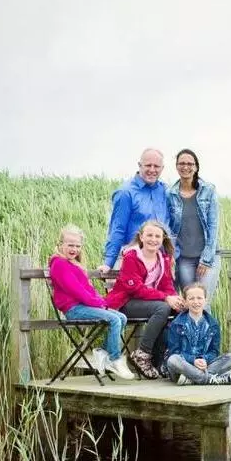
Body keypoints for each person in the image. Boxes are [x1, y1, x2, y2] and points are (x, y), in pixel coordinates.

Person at [48, 225, 134, 380]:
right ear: (61, 245)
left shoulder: (74, 264)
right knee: (113, 319)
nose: (74, 249)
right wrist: (99, 304)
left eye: (77, 246)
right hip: (73, 309)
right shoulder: (59, 264)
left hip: (84, 306)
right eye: (70, 245)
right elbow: (76, 291)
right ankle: (114, 359)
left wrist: (101, 301)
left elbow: (88, 289)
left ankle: (103, 353)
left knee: (121, 317)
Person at [106, 220, 184, 379]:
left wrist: (175, 299)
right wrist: (165, 298)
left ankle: (161, 359)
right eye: (149, 235)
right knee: (162, 308)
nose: (153, 239)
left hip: (149, 303)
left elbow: (166, 285)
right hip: (125, 302)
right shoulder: (131, 257)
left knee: (176, 309)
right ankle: (142, 354)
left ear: (163, 240)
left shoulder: (163, 259)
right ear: (141, 237)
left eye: (157, 236)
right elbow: (135, 288)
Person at [99, 148, 170, 273]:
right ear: (139, 165)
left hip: (157, 261)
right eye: (148, 165)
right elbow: (117, 229)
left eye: (156, 166)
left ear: (162, 168)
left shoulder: (165, 191)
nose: (152, 170)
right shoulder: (125, 192)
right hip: (130, 260)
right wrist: (108, 263)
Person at [167, 148, 221, 309]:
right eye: (182, 163)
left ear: (196, 167)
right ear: (176, 166)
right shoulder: (170, 194)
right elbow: (169, 228)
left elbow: (213, 226)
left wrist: (206, 258)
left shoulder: (208, 191)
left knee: (202, 303)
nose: (186, 167)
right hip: (183, 258)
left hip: (207, 257)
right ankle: (189, 335)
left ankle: (206, 335)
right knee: (189, 303)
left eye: (190, 164)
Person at [165, 283, 231, 386]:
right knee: (172, 360)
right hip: (184, 368)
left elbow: (214, 352)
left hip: (204, 366)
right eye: (191, 299)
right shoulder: (176, 324)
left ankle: (193, 379)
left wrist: (204, 360)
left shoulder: (213, 324)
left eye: (199, 298)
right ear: (185, 301)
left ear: (205, 300)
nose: (196, 302)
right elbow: (174, 352)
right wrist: (193, 360)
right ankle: (210, 379)